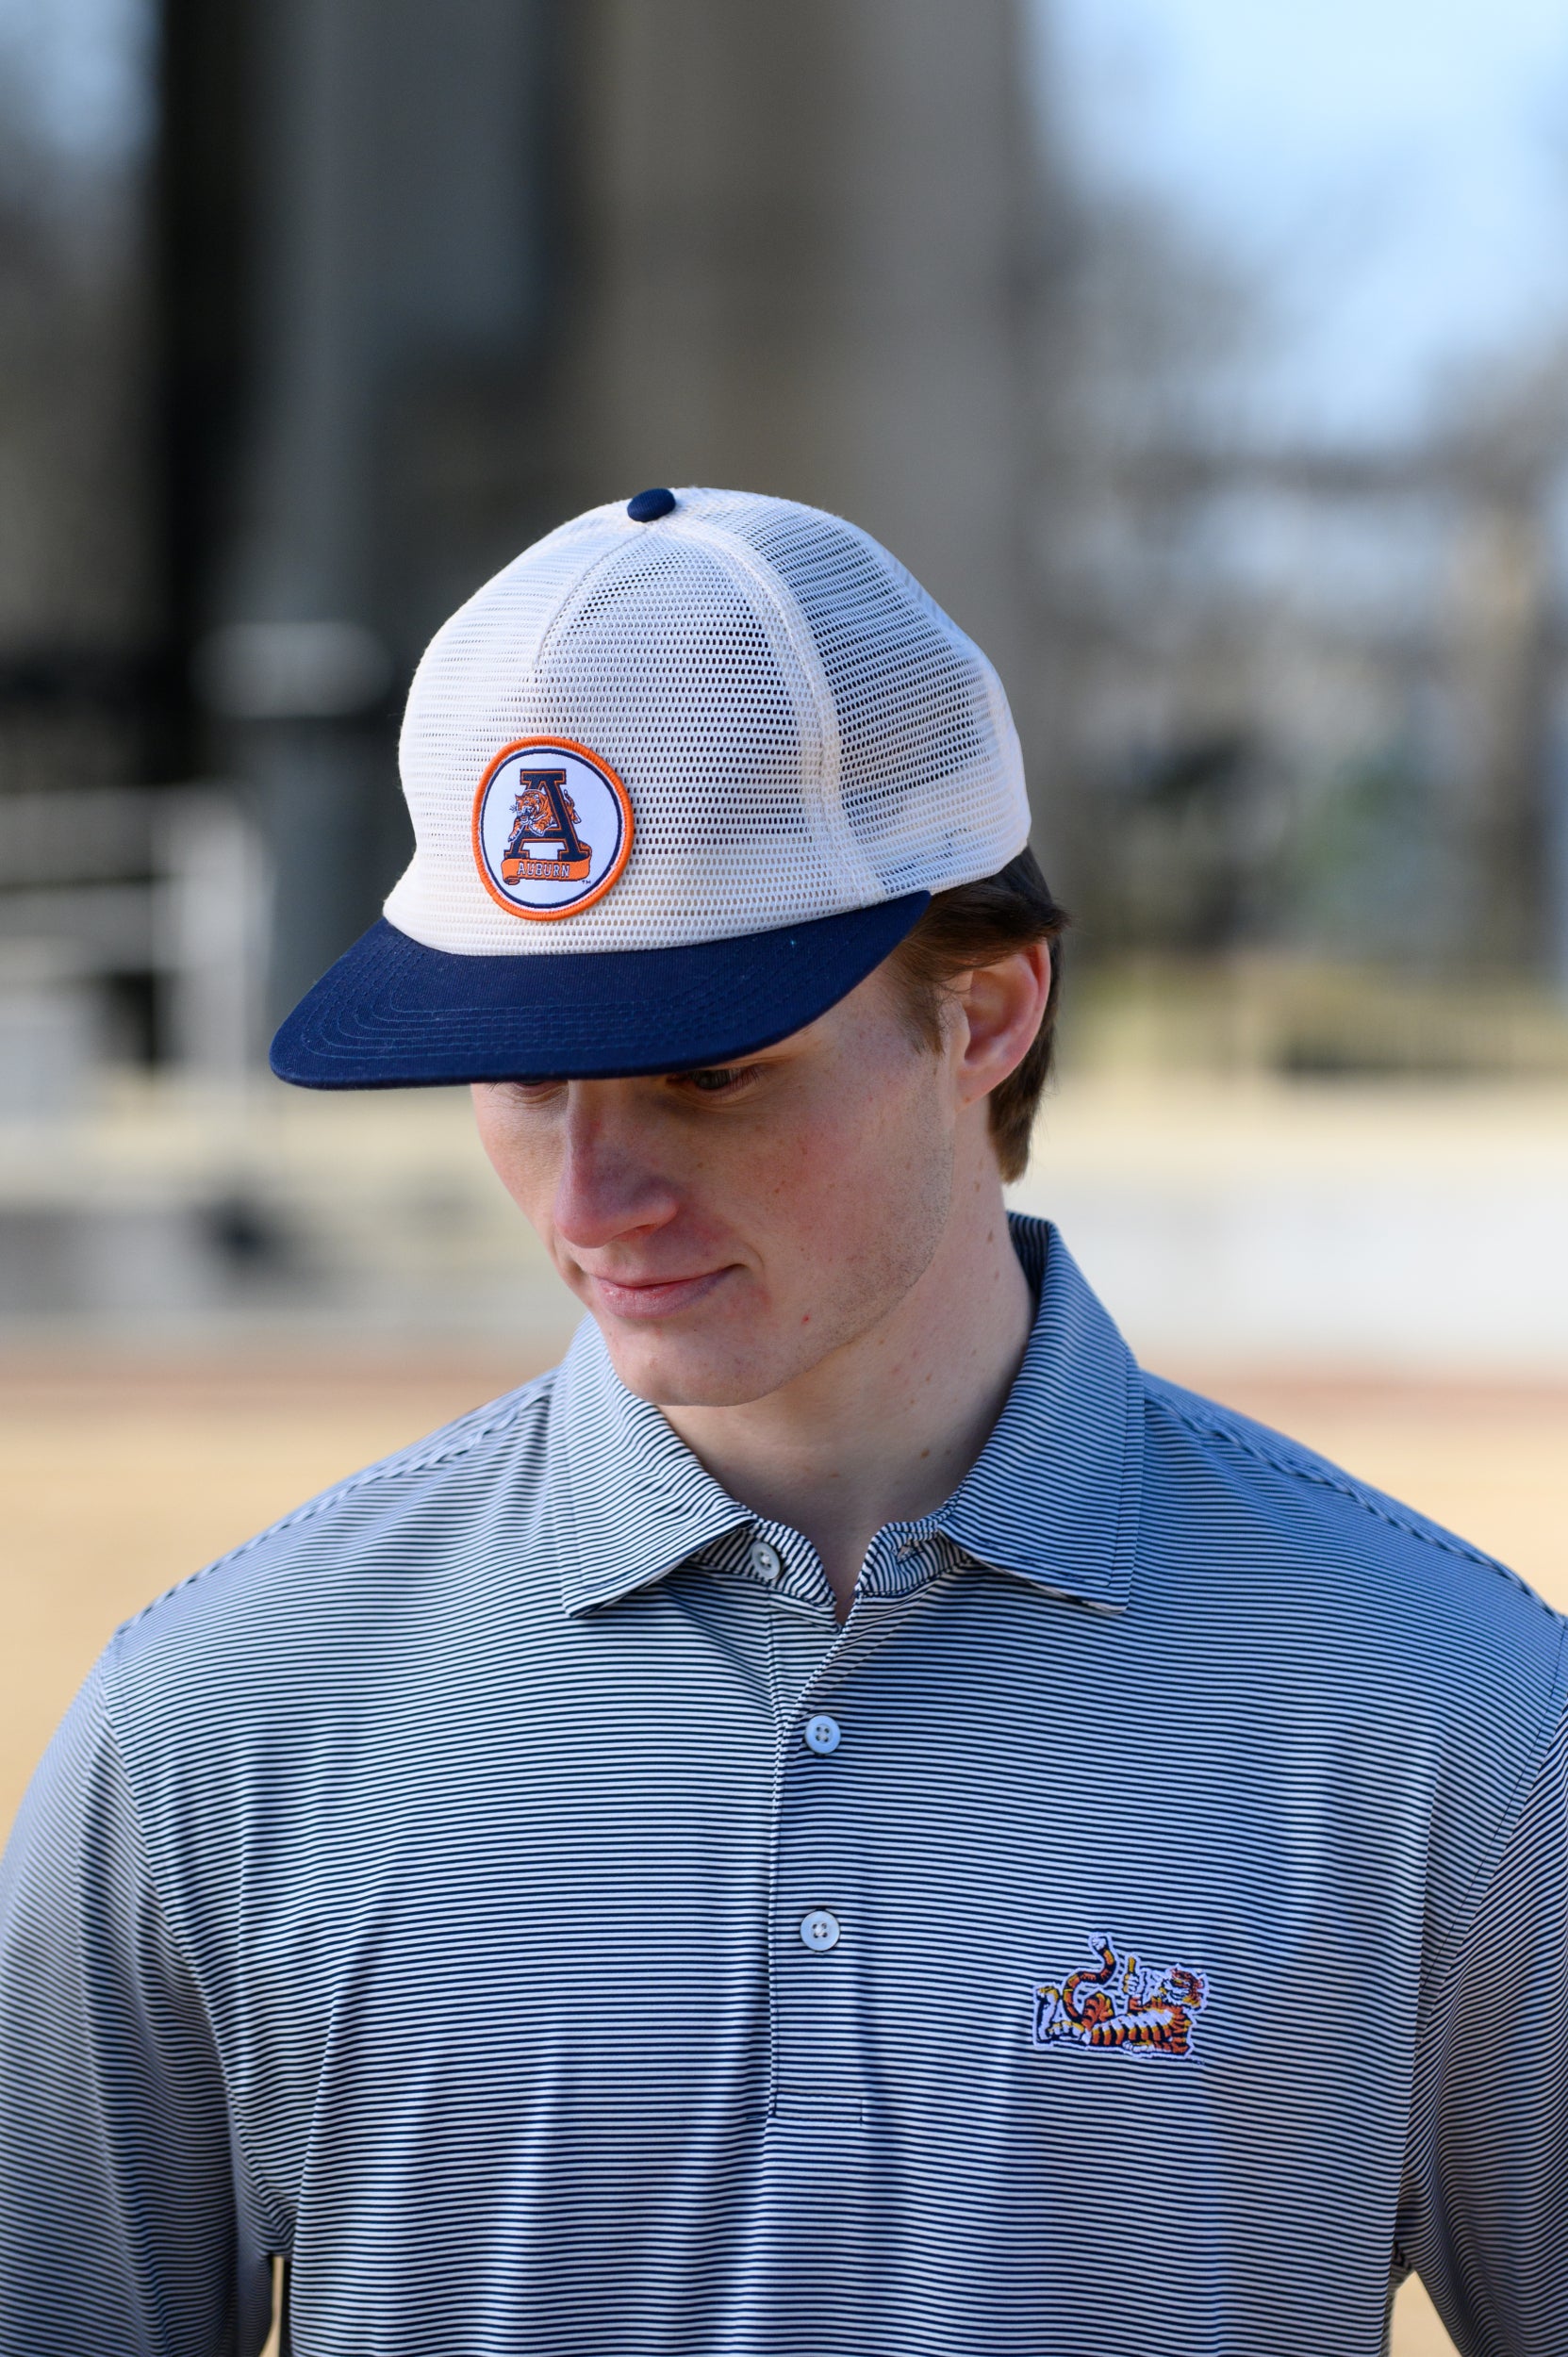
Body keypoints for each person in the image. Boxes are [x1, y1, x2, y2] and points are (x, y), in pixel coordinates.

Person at [1, 486, 1563, 2357]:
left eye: (706, 1071)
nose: (591, 1200)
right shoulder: (210, 1728)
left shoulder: (1454, 1722)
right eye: (519, 1075)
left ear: (986, 1011)